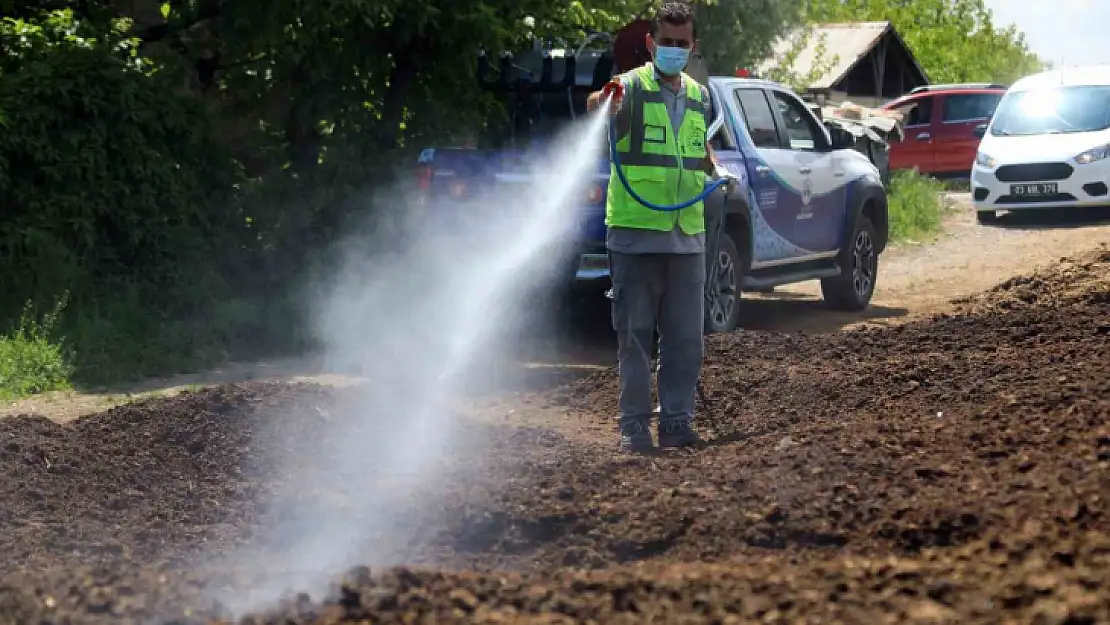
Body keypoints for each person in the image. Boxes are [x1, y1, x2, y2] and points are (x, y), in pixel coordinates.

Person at [586, 1, 737, 453]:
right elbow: (597, 103)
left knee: (685, 339)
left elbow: (696, 152)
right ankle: (634, 427)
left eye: (681, 43)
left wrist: (716, 171)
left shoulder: (699, 96)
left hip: (686, 236)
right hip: (635, 235)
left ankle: (676, 423)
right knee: (634, 339)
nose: (673, 50)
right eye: (665, 43)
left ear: (693, 47)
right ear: (651, 44)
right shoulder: (629, 88)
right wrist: (603, 100)